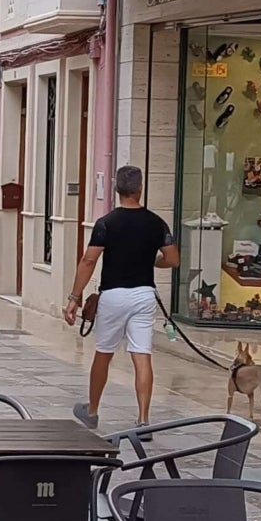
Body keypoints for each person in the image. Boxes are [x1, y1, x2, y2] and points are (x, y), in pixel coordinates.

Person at [64, 165, 179, 431]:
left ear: (117, 190)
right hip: (143, 295)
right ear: (140, 189)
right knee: (142, 355)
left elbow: (88, 259)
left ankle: (92, 411)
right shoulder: (157, 223)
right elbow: (173, 259)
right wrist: (153, 262)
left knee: (104, 353)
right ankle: (143, 419)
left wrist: (74, 297)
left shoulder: (106, 223)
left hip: (113, 295)